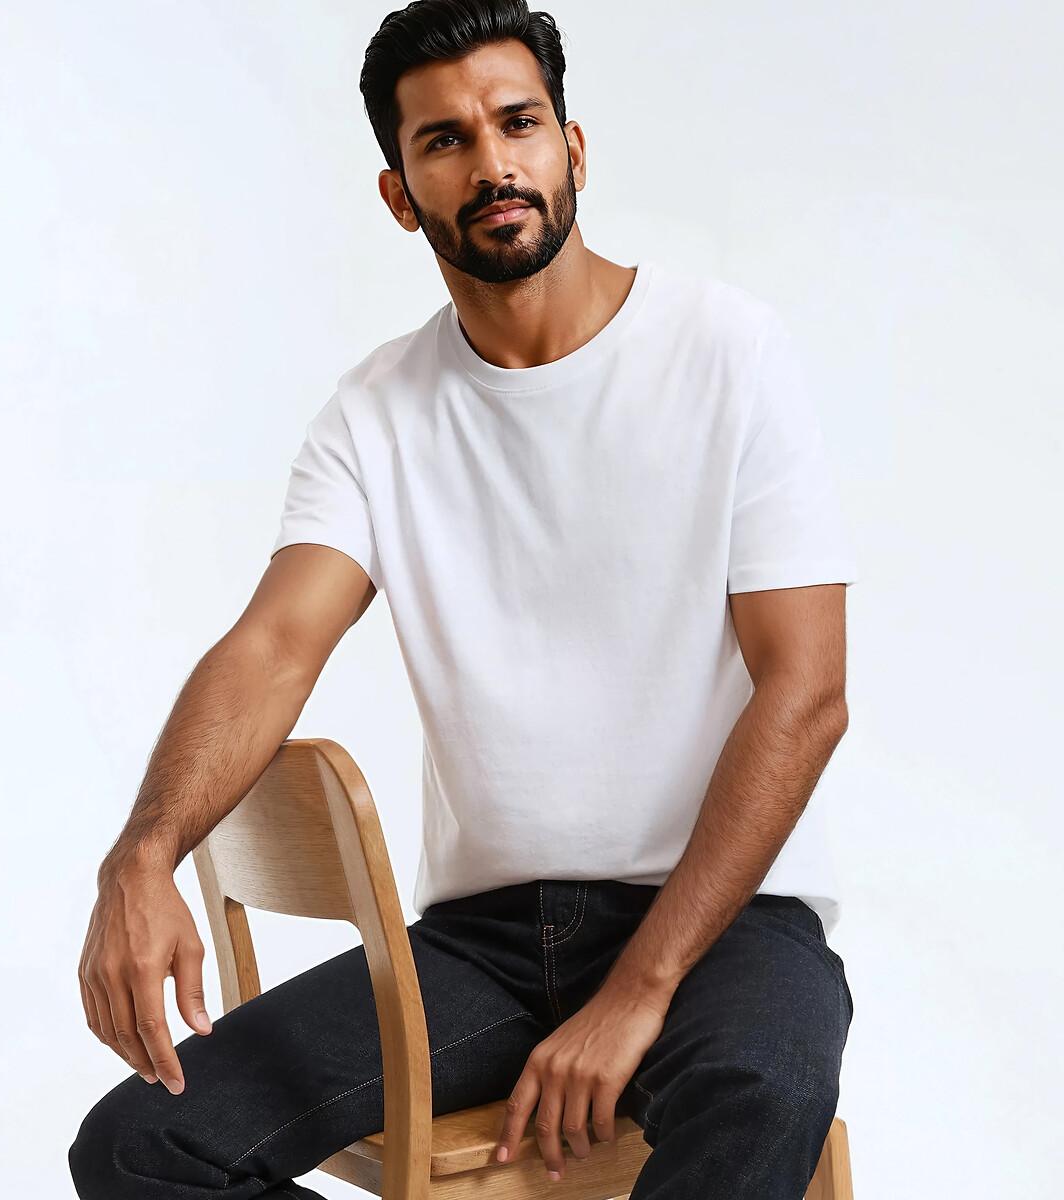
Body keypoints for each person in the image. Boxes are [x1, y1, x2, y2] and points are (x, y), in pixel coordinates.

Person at [69, 2, 858, 1196]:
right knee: (142, 1145)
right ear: (401, 195)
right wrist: (140, 857)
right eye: (444, 141)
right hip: (485, 946)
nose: (493, 164)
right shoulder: (375, 415)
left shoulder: (727, 353)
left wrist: (639, 989)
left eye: (517, 123)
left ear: (572, 148)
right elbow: (274, 644)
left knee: (761, 1087)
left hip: (726, 919)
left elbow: (807, 693)